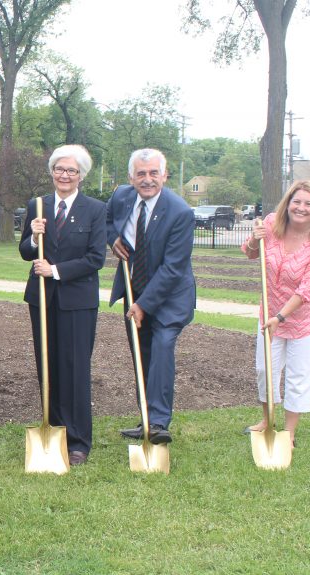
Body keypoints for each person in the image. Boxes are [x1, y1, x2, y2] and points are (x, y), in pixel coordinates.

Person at [19, 145, 106, 466]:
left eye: (71, 170)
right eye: (59, 169)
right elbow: (26, 252)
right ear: (52, 172)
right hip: (42, 300)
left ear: (81, 175)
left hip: (77, 302)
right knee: (48, 365)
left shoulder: (95, 209)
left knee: (75, 368)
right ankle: (54, 429)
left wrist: (54, 271)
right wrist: (31, 236)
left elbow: (96, 258)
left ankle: (79, 440)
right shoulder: (38, 205)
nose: (64, 175)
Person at [106, 148, 196, 445]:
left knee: (161, 347)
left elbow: (173, 268)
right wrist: (113, 239)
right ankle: (145, 416)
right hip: (135, 288)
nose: (147, 180)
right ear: (131, 177)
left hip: (170, 296)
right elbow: (107, 221)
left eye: (153, 173)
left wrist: (144, 305)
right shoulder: (121, 197)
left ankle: (158, 422)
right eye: (141, 174)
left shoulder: (179, 212)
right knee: (141, 354)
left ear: (164, 176)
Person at [242, 181, 310, 447]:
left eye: (308, 203)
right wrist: (254, 239)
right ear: (288, 203)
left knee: (298, 375)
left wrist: (280, 318)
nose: (301, 208)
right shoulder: (272, 224)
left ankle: (289, 431)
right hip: (270, 312)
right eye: (297, 201)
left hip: (308, 318)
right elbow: (251, 254)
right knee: (265, 369)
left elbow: (308, 288)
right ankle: (266, 420)